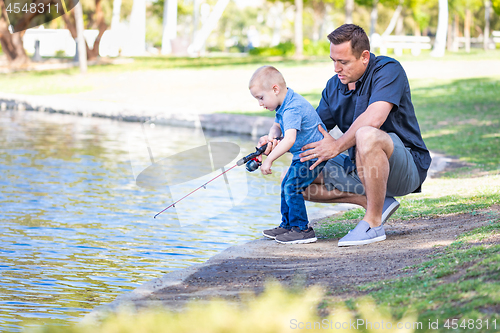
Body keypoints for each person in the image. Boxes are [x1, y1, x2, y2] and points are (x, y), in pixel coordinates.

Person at [259, 24, 432, 247]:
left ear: (364, 57)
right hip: (359, 167)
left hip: (404, 169)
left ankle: (373, 224)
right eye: (333, 60)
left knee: (367, 134)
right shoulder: (333, 87)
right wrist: (275, 140)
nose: (336, 68)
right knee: (294, 177)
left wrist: (337, 145)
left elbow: (374, 118)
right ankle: (373, 202)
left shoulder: (388, 70)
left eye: (344, 62)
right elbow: (311, 130)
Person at [249, 66, 327, 244]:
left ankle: (302, 229)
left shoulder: (292, 108)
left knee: (292, 187)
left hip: (312, 155)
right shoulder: (284, 103)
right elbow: (277, 125)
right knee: (287, 184)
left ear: (275, 89)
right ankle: (288, 225)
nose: (260, 103)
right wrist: (271, 137)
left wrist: (269, 160)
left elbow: (290, 139)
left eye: (261, 98)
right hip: (303, 155)